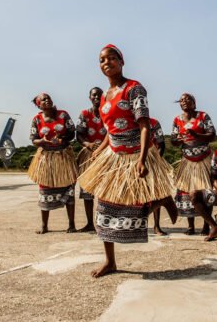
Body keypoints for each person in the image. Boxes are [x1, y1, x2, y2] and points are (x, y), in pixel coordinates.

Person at [78, 44, 177, 278]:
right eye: (102, 60)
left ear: (121, 62)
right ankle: (109, 261)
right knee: (103, 209)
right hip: (113, 156)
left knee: (132, 207)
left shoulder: (134, 89)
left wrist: (142, 159)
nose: (107, 62)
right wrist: (98, 151)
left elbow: (144, 127)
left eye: (112, 58)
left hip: (135, 152)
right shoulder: (103, 97)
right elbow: (109, 131)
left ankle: (161, 199)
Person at [27, 93, 77, 234]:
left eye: (48, 98)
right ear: (38, 105)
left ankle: (72, 224)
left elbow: (72, 133)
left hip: (63, 157)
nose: (47, 100)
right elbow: (33, 139)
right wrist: (42, 141)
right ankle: (44, 226)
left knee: (69, 189)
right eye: (43, 99)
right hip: (47, 159)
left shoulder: (63, 115)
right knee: (44, 189)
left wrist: (63, 138)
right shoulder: (37, 119)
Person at [170, 93, 216, 235]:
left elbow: (212, 135)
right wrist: (177, 140)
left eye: (187, 99)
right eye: (181, 100)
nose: (184, 102)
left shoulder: (203, 116)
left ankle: (206, 225)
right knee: (186, 191)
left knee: (206, 191)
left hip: (204, 158)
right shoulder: (177, 120)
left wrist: (197, 135)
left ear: (194, 103)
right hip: (187, 160)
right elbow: (173, 140)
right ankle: (190, 226)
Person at [75, 87, 106, 233]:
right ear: (90, 97)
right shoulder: (85, 114)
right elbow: (79, 135)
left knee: (105, 191)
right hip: (89, 155)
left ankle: (104, 222)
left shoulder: (108, 113)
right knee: (88, 191)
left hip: (107, 156)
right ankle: (89, 224)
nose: (97, 97)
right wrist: (88, 145)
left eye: (99, 95)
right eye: (94, 95)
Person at [149, 117, 169, 235]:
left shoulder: (154, 123)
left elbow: (161, 144)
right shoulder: (128, 121)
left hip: (153, 160)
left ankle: (156, 226)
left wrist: (157, 161)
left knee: (156, 194)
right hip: (131, 160)